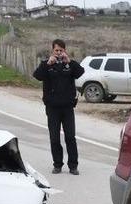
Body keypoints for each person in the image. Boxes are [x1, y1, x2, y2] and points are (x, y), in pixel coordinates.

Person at [32, 39, 85, 175]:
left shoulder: (69, 65)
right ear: (52, 51)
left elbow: (80, 72)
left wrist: (70, 62)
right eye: (57, 50)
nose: (59, 53)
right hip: (52, 108)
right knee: (54, 138)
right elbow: (37, 76)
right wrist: (48, 64)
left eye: (61, 50)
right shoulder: (47, 65)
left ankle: (73, 166)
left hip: (67, 108)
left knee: (70, 137)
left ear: (64, 51)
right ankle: (57, 164)